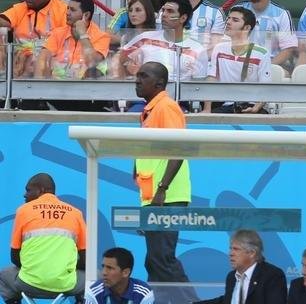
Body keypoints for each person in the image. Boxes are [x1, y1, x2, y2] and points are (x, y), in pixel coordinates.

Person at [132, 61, 194, 302]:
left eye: (142, 76)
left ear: (158, 83)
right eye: (137, 75)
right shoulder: (150, 109)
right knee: (154, 260)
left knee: (162, 259)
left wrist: (162, 189)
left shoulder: (166, 107)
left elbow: (178, 149)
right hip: (155, 197)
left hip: (167, 197)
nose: (136, 80)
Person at [0, 173, 86, 303]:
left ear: (41, 190)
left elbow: (15, 257)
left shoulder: (23, 211)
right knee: (94, 276)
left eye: (28, 190)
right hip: (66, 284)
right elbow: (85, 260)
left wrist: (35, 269)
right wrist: (63, 269)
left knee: (3, 274)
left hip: (28, 283)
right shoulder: (76, 213)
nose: (24, 194)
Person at [198, 231, 286, 304]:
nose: (230, 253)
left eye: (236, 249)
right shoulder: (232, 277)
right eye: (231, 248)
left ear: (252, 253)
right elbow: (227, 300)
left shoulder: (272, 275)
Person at [86, 248, 154, 304]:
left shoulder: (143, 293)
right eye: (103, 267)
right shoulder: (93, 293)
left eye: (109, 268)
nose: (104, 272)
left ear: (126, 272)